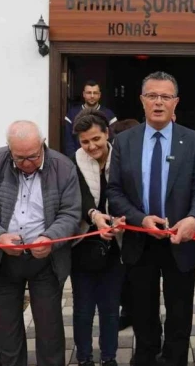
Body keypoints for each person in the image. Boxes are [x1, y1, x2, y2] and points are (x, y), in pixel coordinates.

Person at [108, 71, 195, 366]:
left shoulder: (194, 141)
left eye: (165, 96)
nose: (158, 102)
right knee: (142, 311)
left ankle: (175, 359)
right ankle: (145, 356)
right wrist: (140, 219)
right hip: (140, 240)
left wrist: (194, 219)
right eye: (152, 95)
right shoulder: (124, 141)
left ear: (175, 102)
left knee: (180, 313)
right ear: (142, 100)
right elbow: (114, 191)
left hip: (181, 239)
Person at [0, 120, 81, 366]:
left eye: (33, 156)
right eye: (19, 158)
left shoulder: (63, 167)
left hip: (46, 260)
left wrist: (50, 238)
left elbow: (71, 213)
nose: (27, 163)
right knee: (7, 329)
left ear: (42, 144)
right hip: (3, 260)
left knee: (49, 327)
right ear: (9, 149)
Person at [70, 109, 127, 366]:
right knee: (83, 309)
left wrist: (121, 219)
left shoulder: (122, 158)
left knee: (110, 308)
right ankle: (84, 358)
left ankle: (109, 357)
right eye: (85, 141)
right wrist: (94, 215)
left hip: (115, 244)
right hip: (83, 244)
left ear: (107, 134)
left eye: (96, 139)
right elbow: (78, 197)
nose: (91, 146)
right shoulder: (73, 163)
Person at [107, 117, 140, 331]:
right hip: (113, 226)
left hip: (135, 226)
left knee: (135, 275)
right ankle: (126, 310)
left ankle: (134, 311)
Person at [64, 80, 117, 157]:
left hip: (102, 158)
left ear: (99, 95)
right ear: (84, 94)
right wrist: (73, 159)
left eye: (95, 93)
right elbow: (69, 142)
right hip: (79, 158)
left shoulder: (110, 115)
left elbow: (113, 141)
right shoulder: (71, 114)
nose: (92, 96)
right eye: (89, 93)